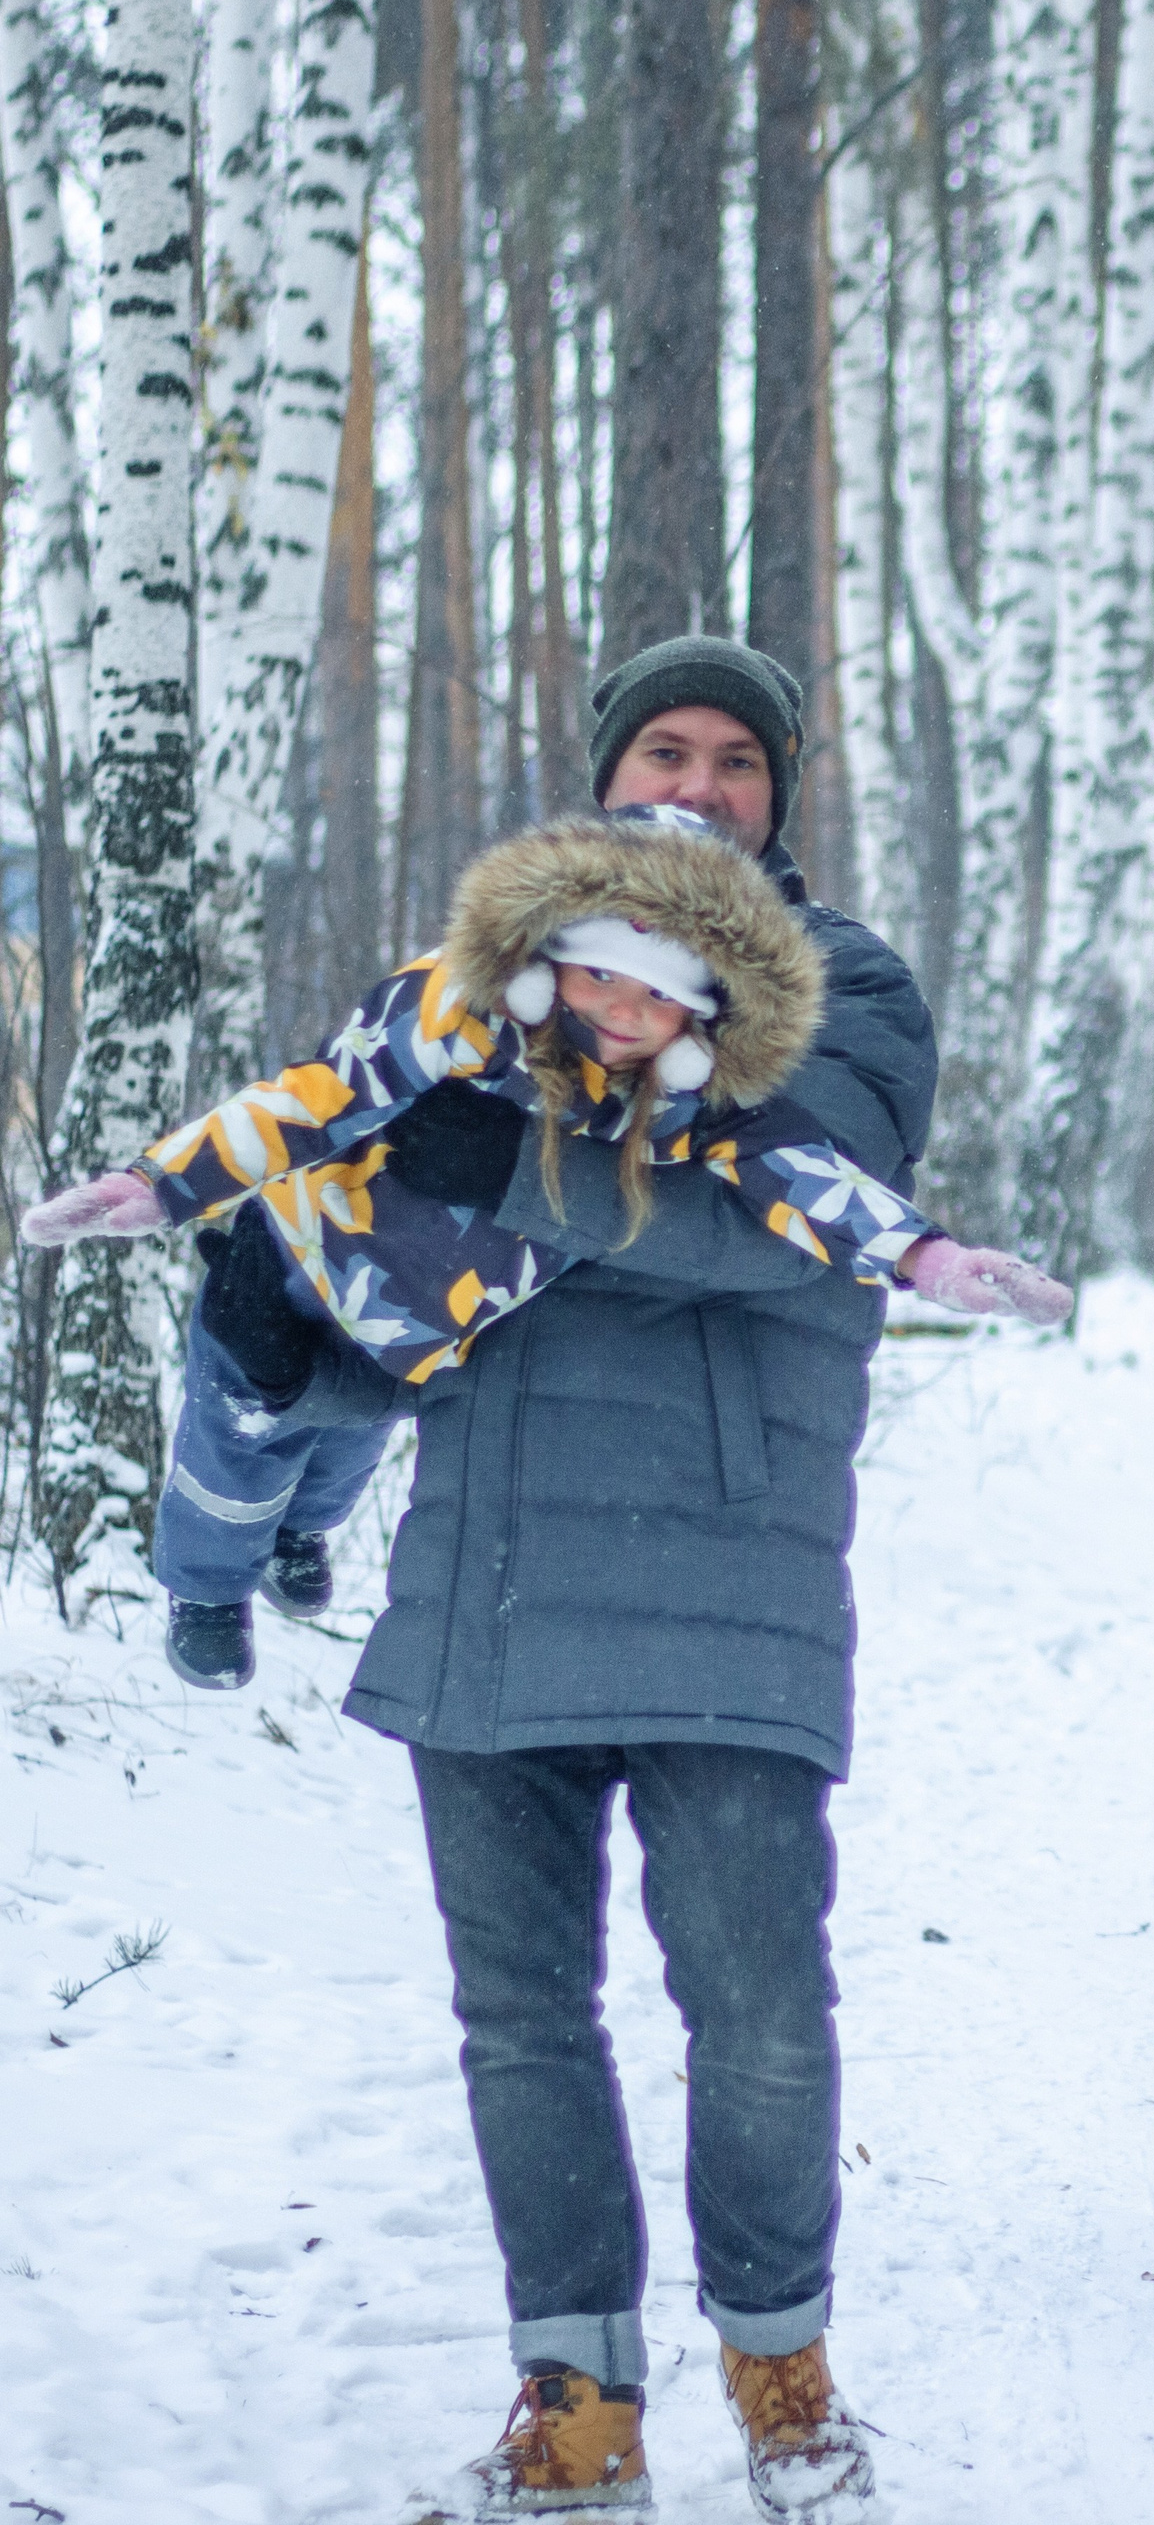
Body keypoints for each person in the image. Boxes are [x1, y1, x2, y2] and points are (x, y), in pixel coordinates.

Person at [202, 638, 1047, 2519]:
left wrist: (485, 1160)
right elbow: (369, 1237)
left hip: (730, 1569)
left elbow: (785, 1220)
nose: (702, 779)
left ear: (780, 799)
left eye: (738, 760)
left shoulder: (846, 995)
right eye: (663, 748)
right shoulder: (481, 994)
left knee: (758, 2007)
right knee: (521, 2018)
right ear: (603, 781)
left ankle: (779, 2362)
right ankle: (574, 2397)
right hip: (489, 1564)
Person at [26, 809, 979, 1691]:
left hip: (419, 1330)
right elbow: (313, 1096)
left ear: (699, 1022)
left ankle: (302, 1537)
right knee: (239, 1441)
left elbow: (804, 1177)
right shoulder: (462, 1016)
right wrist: (160, 1185)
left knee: (348, 1448)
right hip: (302, 1263)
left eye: (659, 995)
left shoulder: (677, 1105)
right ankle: (205, 1587)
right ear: (547, 958)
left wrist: (924, 1258)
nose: (621, 1010)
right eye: (599, 972)